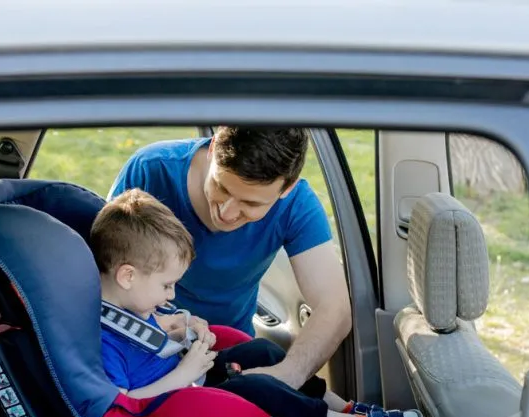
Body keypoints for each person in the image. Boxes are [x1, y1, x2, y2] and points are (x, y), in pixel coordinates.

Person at [90, 189, 425, 417]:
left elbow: (151, 339)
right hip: (175, 407)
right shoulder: (104, 341)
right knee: (258, 388)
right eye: (166, 286)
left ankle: (344, 408)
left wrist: (184, 328)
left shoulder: (128, 305)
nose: (171, 294)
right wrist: (184, 372)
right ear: (127, 276)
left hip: (190, 380)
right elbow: (121, 406)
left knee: (264, 351)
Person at [108, 127, 350, 390]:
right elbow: (100, 270)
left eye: (251, 203)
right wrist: (156, 322)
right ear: (212, 149)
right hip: (143, 353)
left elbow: (334, 306)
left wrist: (289, 374)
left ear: (287, 188)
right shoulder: (150, 170)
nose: (227, 212)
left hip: (229, 349)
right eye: (221, 186)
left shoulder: (297, 204)